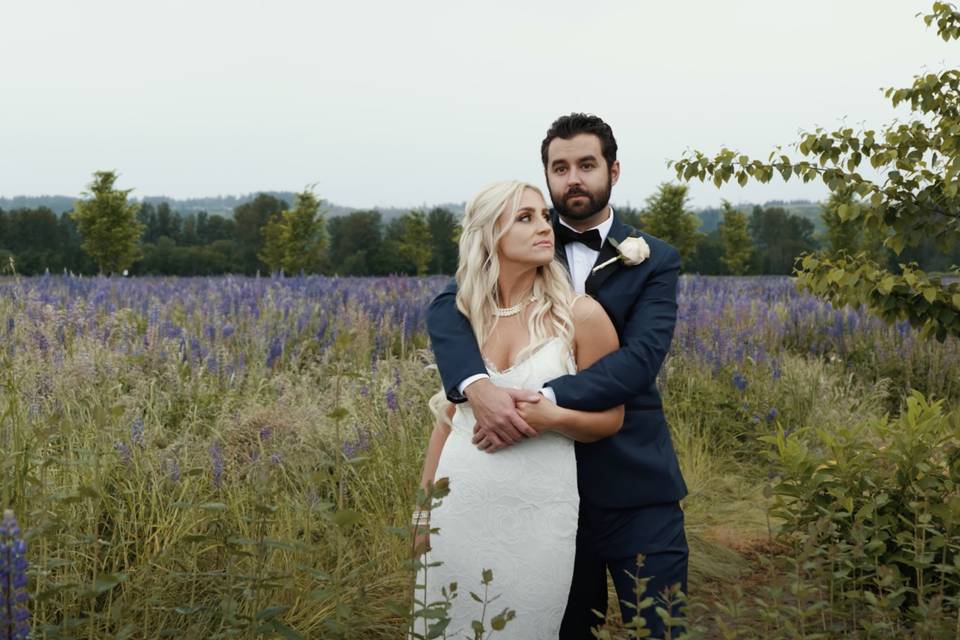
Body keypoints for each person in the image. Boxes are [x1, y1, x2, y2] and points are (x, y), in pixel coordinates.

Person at [427, 113, 689, 637]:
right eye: (560, 167)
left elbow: (637, 364)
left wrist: (531, 398)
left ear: (613, 171)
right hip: (539, 494)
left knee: (660, 627)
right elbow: (450, 306)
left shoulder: (653, 259)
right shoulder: (529, 237)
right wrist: (476, 386)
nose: (573, 179)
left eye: (586, 165)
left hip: (633, 481)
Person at [414, 180, 624, 640]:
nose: (544, 227)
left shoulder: (581, 315)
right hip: (461, 499)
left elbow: (611, 420)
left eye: (544, 216)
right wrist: (423, 515)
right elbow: (449, 420)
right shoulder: (464, 314)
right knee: (448, 624)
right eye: (525, 218)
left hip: (541, 507)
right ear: (490, 235)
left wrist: (551, 418)